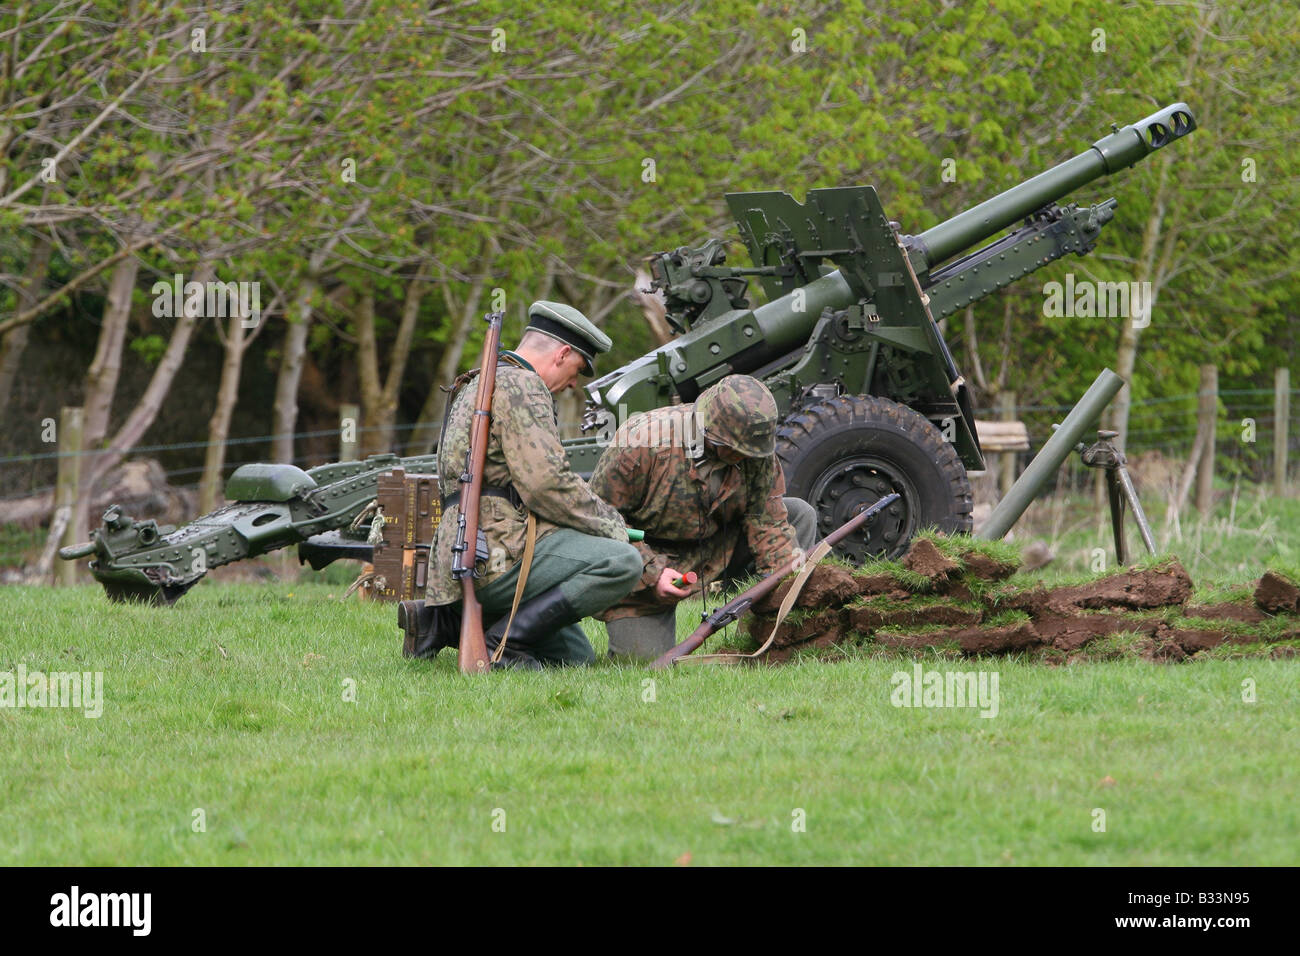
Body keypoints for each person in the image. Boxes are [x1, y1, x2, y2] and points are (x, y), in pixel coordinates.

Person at [400, 301, 643, 670]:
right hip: (498, 554)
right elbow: (546, 484)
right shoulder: (523, 385)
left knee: (573, 661)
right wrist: (614, 527)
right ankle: (504, 644)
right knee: (621, 561)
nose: (575, 383)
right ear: (563, 353)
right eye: (578, 369)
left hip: (464, 554)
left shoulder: (478, 382)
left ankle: (444, 623)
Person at [589, 374, 817, 661]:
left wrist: (789, 588)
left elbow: (767, 522)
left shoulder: (755, 452)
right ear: (707, 431)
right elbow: (598, 520)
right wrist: (652, 572)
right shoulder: (643, 442)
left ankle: (762, 630)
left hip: (720, 546)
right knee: (641, 661)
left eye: (747, 451)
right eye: (733, 448)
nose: (742, 458)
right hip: (645, 559)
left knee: (799, 514)